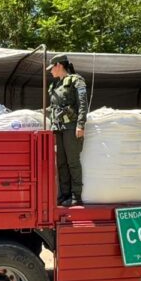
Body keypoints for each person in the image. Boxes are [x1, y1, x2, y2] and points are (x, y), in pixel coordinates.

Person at [46, 54, 88, 207]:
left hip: (71, 127)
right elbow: (53, 108)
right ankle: (64, 194)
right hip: (58, 128)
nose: (51, 71)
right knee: (61, 163)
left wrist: (80, 125)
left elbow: (83, 104)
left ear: (59, 65)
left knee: (72, 162)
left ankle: (76, 196)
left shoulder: (76, 81)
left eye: (52, 68)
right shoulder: (55, 85)